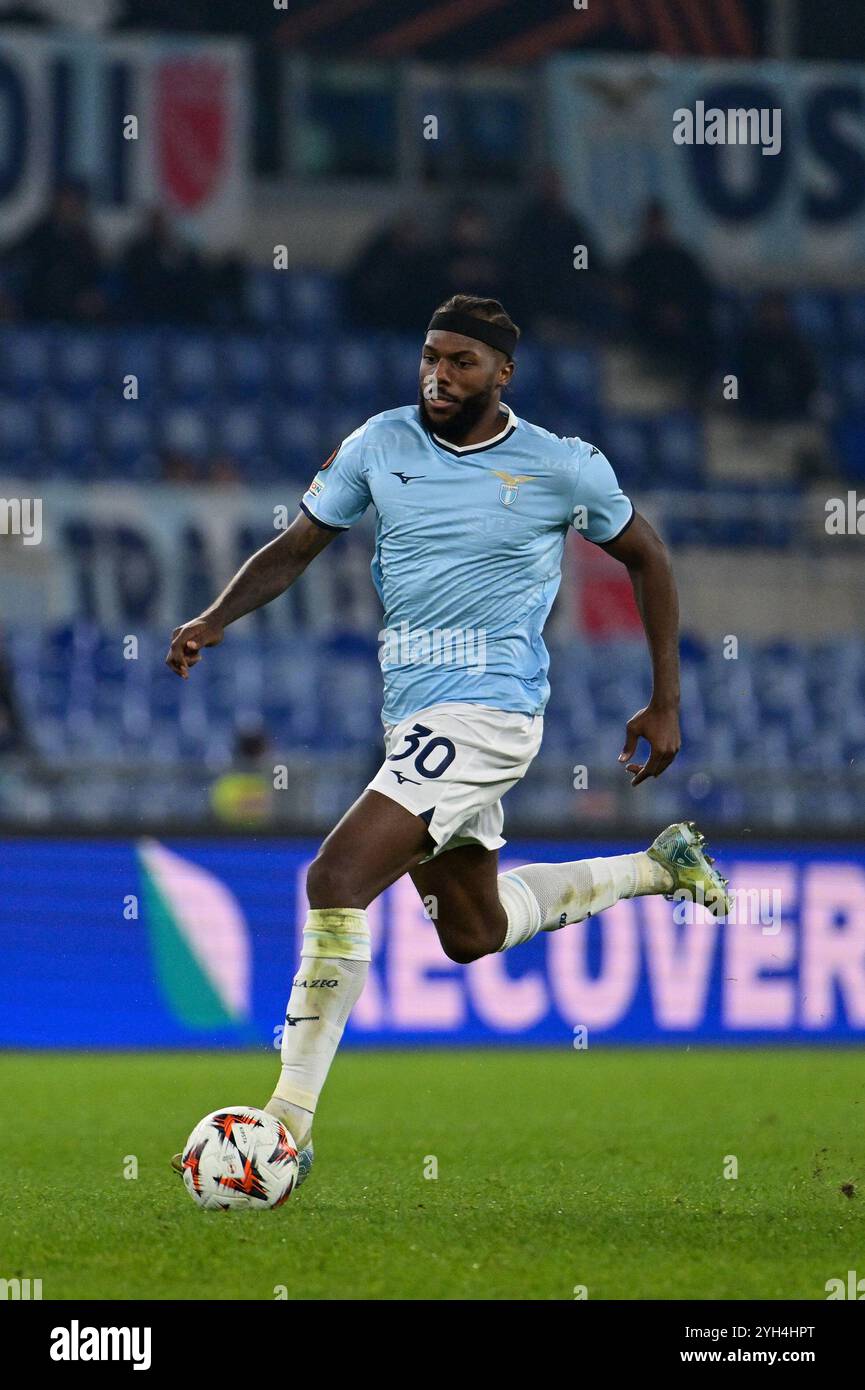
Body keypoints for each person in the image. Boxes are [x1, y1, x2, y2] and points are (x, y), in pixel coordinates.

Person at [165, 293, 730, 1187]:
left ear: (502, 372)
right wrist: (214, 615)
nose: (439, 373)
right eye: (430, 355)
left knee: (335, 878)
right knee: (473, 931)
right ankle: (657, 867)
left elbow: (648, 557)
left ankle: (287, 1123)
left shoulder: (559, 466)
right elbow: (298, 544)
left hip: (490, 713)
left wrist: (664, 701)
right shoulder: (379, 444)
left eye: (461, 361)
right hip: (413, 715)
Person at [620, 200, 714, 392]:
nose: (656, 228)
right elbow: (627, 297)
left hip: (685, 325)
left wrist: (681, 313)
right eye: (651, 223)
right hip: (649, 327)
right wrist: (657, 313)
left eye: (659, 222)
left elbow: (702, 292)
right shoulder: (636, 262)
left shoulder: (682, 258)